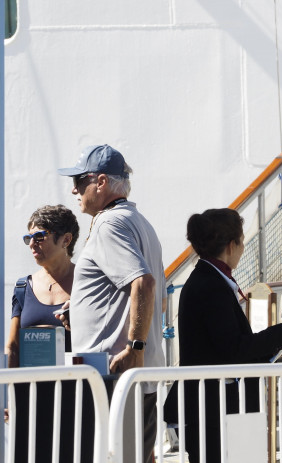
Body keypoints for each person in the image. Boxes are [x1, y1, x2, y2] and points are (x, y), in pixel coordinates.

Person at [57, 144, 166, 463]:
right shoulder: (140, 222)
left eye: (79, 180)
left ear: (101, 182)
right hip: (131, 378)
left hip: (113, 376)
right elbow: (155, 300)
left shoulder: (109, 224)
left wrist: (135, 347)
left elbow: (143, 284)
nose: (73, 189)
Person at [170, 208, 282, 463]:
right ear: (232, 245)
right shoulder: (212, 286)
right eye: (242, 242)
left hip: (214, 407)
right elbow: (233, 349)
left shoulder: (205, 280)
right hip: (217, 410)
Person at [5, 205, 80, 462]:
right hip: (31, 398)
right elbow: (12, 346)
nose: (32, 244)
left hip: (76, 397)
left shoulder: (87, 283)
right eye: (29, 238)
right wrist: (10, 397)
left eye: (40, 236)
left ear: (66, 239)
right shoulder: (22, 287)